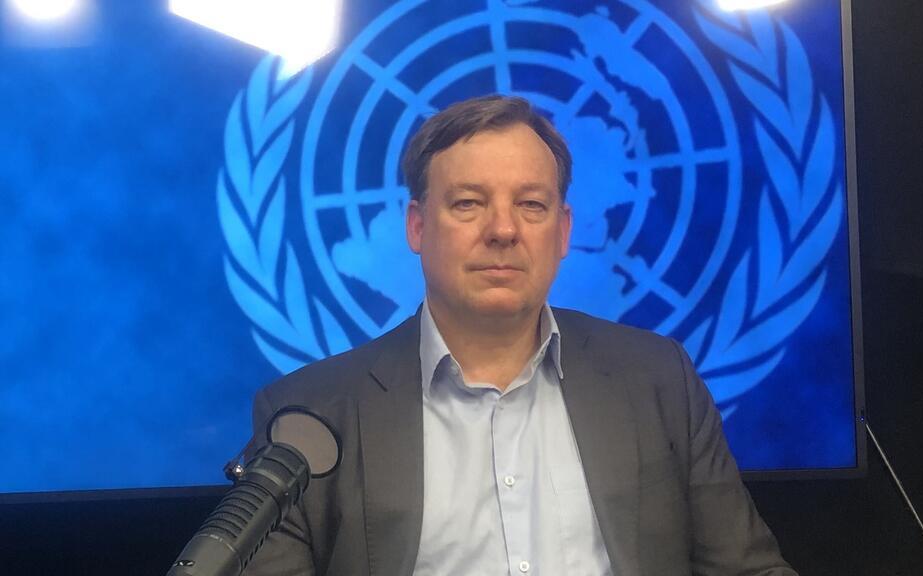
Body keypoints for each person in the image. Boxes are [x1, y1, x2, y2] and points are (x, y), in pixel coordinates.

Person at [243, 95, 797, 575]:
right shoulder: (309, 413)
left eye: (531, 205)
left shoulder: (659, 380)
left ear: (562, 231)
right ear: (416, 226)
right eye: (468, 203)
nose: (504, 230)